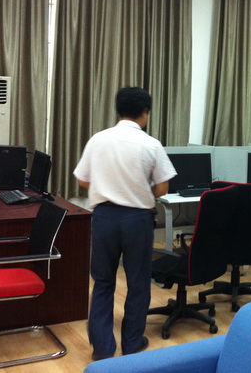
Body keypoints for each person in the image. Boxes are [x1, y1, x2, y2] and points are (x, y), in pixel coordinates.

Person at [74, 87, 176, 361]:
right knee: (138, 283)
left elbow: (82, 179)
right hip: (137, 220)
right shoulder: (151, 144)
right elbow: (163, 188)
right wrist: (137, 190)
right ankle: (132, 344)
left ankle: (102, 349)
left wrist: (109, 187)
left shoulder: (98, 139)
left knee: (103, 282)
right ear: (145, 112)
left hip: (104, 218)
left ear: (118, 110)